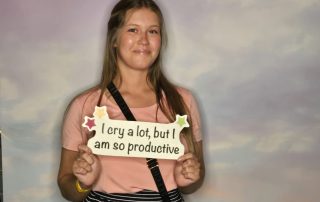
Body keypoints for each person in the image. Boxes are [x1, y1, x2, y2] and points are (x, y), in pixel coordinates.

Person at [57, 0, 205, 201]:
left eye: (153, 31)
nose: (144, 40)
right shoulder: (84, 105)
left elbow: (194, 182)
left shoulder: (183, 101)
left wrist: (191, 178)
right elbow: (67, 187)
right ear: (114, 39)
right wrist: (82, 183)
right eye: (133, 30)